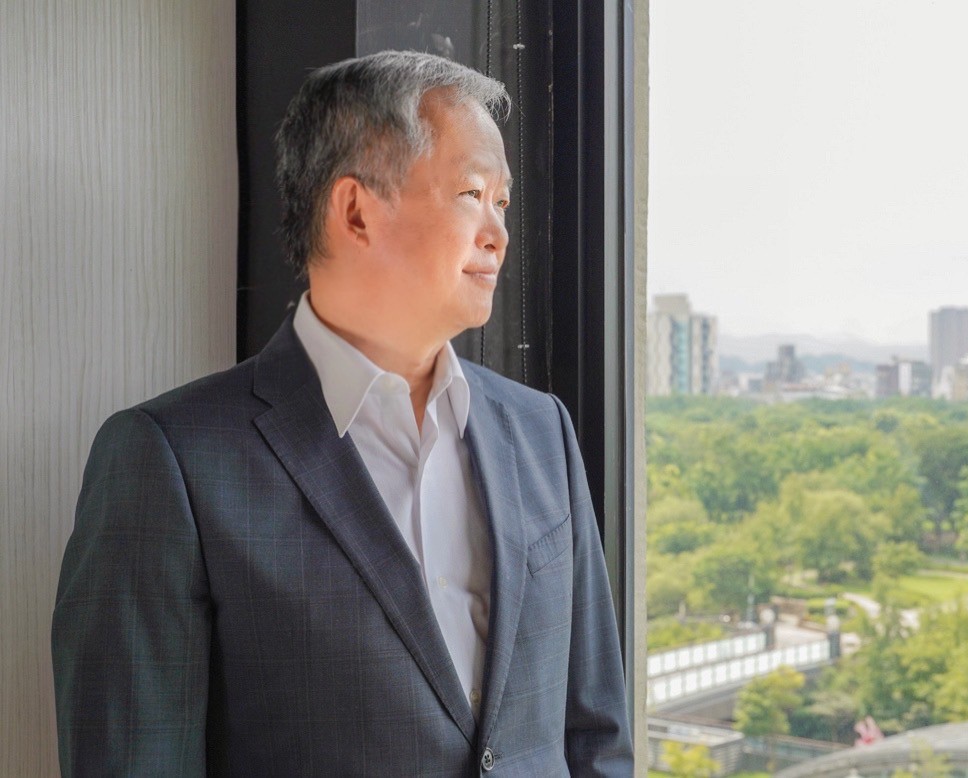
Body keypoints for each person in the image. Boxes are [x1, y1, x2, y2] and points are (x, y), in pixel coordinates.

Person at [52, 51, 633, 776]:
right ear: (356, 211)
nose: (499, 233)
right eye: (471, 194)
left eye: (503, 202)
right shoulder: (172, 460)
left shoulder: (542, 430)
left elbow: (594, 738)